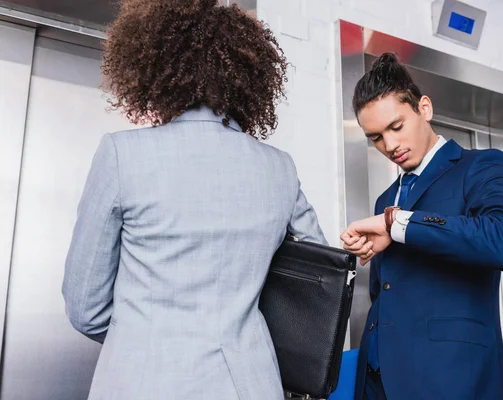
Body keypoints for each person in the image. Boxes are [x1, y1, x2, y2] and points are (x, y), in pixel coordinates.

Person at [61, 1, 326, 398]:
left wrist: (142, 338)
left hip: (143, 380)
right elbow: (314, 277)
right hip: (248, 383)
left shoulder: (121, 154)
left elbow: (86, 308)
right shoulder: (279, 169)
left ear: (156, 71)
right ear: (247, 79)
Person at [340, 53, 503, 400]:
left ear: (424, 108)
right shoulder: (385, 199)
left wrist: (397, 224)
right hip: (376, 381)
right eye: (376, 138)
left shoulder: (481, 165)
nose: (390, 145)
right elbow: (387, 291)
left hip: (451, 377)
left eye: (396, 127)